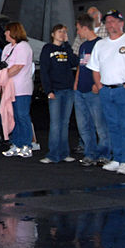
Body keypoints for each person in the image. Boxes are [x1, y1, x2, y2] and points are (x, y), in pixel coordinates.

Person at [87, 10, 125, 175]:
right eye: (108, 22)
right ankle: (117, 158)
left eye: (113, 21)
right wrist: (100, 87)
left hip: (124, 90)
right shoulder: (100, 44)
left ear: (121, 23)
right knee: (112, 126)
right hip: (107, 90)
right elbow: (95, 68)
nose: (110, 24)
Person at [73, 13, 110, 166]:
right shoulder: (83, 46)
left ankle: (105, 154)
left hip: (94, 91)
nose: (77, 33)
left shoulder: (101, 44)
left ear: (84, 27)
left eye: (78, 29)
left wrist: (98, 84)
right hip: (80, 91)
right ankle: (90, 154)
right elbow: (81, 66)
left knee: (100, 125)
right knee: (83, 126)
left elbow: (106, 66)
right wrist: (76, 82)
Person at [39, 24, 78, 164]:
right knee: (55, 123)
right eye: (59, 31)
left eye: (64, 32)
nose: (62, 34)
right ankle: (52, 154)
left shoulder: (66, 49)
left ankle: (64, 152)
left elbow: (74, 62)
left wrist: (67, 44)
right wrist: (48, 90)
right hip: (55, 90)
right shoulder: (48, 49)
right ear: (53, 34)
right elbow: (44, 71)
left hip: (68, 90)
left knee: (65, 123)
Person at [0, 22, 35, 158]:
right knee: (12, 116)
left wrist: (4, 75)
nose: (4, 34)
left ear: (13, 32)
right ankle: (16, 144)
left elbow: (18, 66)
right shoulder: (7, 47)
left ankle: (26, 145)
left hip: (21, 89)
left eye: (6, 31)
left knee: (22, 115)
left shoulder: (24, 47)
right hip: (9, 88)